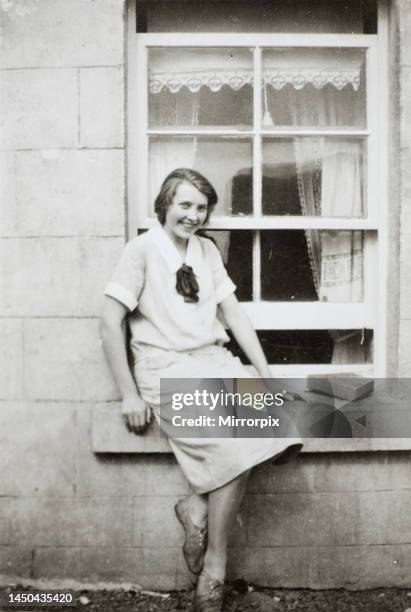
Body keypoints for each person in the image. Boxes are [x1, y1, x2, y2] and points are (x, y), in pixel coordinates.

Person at [100, 168, 302, 611]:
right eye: (184, 205)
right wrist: (128, 393)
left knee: (278, 424)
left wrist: (265, 373)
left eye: (201, 207)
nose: (192, 215)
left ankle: (195, 507)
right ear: (165, 205)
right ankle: (215, 568)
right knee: (237, 447)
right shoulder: (141, 251)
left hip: (213, 361)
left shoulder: (207, 250)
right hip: (165, 369)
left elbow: (234, 315)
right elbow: (109, 320)